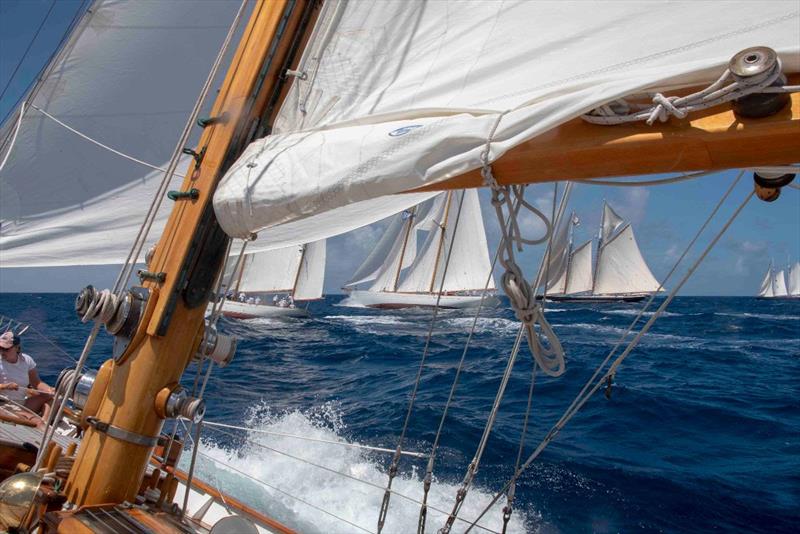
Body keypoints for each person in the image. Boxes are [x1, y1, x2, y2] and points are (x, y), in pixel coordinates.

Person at [0, 332, 54, 418]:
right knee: (36, 421)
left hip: (21, 403)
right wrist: (5, 386)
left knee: (55, 399)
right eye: (0, 348)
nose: (2, 351)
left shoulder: (27, 360)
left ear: (17, 348)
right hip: (4, 404)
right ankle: (39, 423)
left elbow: (37, 383)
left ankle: (45, 421)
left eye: (6, 349)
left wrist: (49, 390)